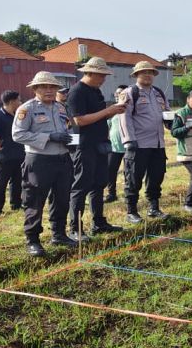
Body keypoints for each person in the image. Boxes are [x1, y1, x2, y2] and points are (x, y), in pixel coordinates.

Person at [11, 72, 77, 255]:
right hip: (39, 160)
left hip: (63, 159)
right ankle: (33, 240)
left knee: (61, 198)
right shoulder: (27, 109)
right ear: (35, 89)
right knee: (35, 201)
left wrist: (68, 139)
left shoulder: (61, 108)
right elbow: (17, 134)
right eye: (44, 87)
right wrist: (48, 137)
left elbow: (67, 128)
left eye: (52, 87)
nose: (49, 90)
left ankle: (59, 234)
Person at [66, 57, 126, 239]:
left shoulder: (96, 92)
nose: (104, 79)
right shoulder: (77, 92)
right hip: (84, 145)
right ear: (90, 73)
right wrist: (108, 111)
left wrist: (113, 111)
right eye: (101, 75)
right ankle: (75, 227)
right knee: (81, 185)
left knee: (99, 183)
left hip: (100, 144)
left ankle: (98, 222)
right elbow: (79, 120)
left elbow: (98, 117)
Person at [119, 61, 170, 223]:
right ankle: (131, 211)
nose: (147, 75)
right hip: (138, 144)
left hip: (157, 143)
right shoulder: (130, 93)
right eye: (143, 72)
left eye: (150, 72)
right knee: (133, 178)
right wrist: (129, 140)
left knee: (156, 177)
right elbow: (124, 118)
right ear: (136, 75)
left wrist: (171, 121)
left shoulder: (159, 93)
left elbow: (166, 112)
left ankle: (154, 208)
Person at [0, 90, 25, 215]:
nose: (20, 102)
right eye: (18, 100)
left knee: (17, 180)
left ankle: (16, 204)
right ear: (11, 102)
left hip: (19, 154)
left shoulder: (17, 116)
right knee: (1, 182)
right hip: (4, 155)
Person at [105, 85, 128, 203]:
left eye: (120, 93)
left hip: (129, 147)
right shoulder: (111, 110)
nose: (117, 95)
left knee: (128, 172)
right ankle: (111, 194)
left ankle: (128, 195)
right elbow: (107, 127)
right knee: (110, 171)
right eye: (116, 93)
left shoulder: (131, 109)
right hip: (113, 147)